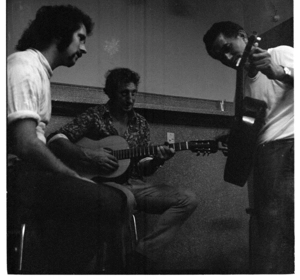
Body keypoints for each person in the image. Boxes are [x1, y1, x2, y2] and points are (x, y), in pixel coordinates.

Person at [7, 5, 129, 274]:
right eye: (81, 37)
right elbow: (26, 144)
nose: (84, 48)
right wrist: (71, 175)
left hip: (31, 174)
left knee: (112, 200)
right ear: (60, 34)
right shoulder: (23, 66)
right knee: (109, 202)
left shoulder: (38, 70)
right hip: (17, 176)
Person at [47, 67, 198, 273]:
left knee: (187, 199)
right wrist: (91, 155)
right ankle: (116, 269)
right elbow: (56, 139)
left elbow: (143, 167)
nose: (130, 98)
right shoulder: (95, 115)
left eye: (133, 93)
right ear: (111, 93)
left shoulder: (141, 123)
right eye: (124, 93)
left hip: (135, 184)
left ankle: (140, 256)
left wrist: (157, 160)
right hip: (101, 184)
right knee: (124, 199)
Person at [203, 21, 294, 274]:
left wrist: (280, 72)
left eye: (228, 48)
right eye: (220, 56)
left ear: (243, 36)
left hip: (287, 147)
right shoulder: (243, 84)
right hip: (265, 155)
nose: (228, 57)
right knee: (269, 227)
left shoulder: (280, 53)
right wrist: (232, 138)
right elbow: (254, 122)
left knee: (278, 230)